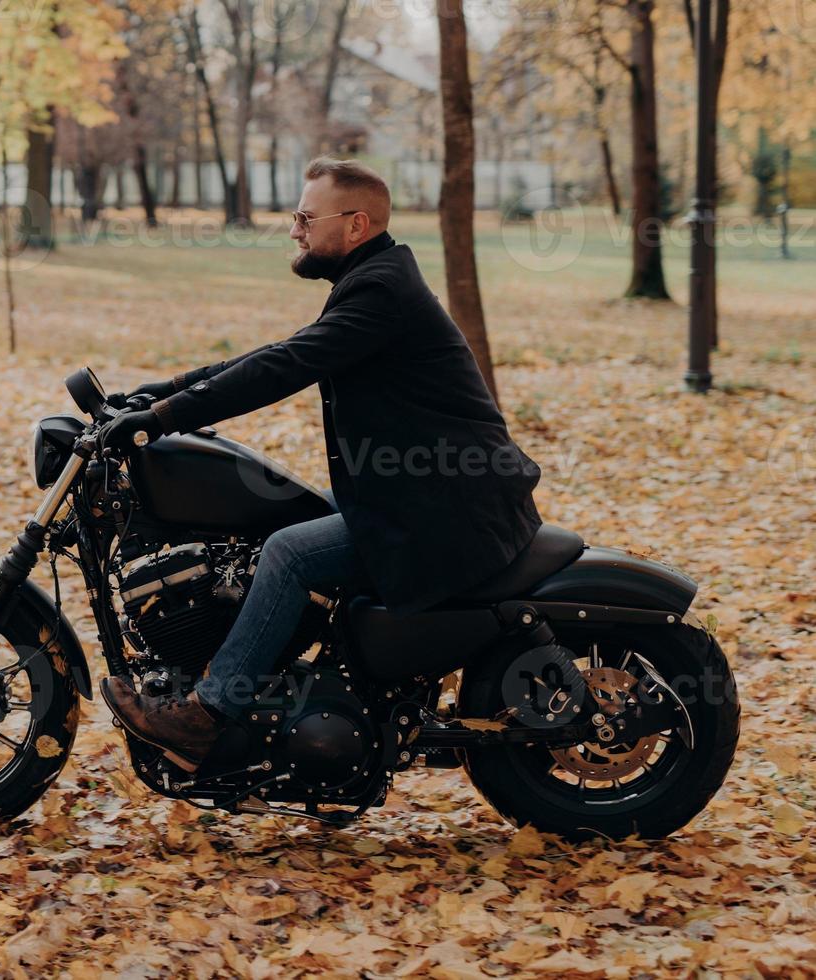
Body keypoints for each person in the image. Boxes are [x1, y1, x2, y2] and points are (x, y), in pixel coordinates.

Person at [97, 158, 544, 772]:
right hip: (422, 496)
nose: (294, 230)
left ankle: (209, 715)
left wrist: (161, 417)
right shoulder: (375, 279)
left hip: (444, 512)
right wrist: (162, 391)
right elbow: (280, 352)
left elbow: (284, 367)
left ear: (356, 224)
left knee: (288, 552)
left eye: (306, 217)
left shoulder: (381, 291)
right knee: (274, 523)